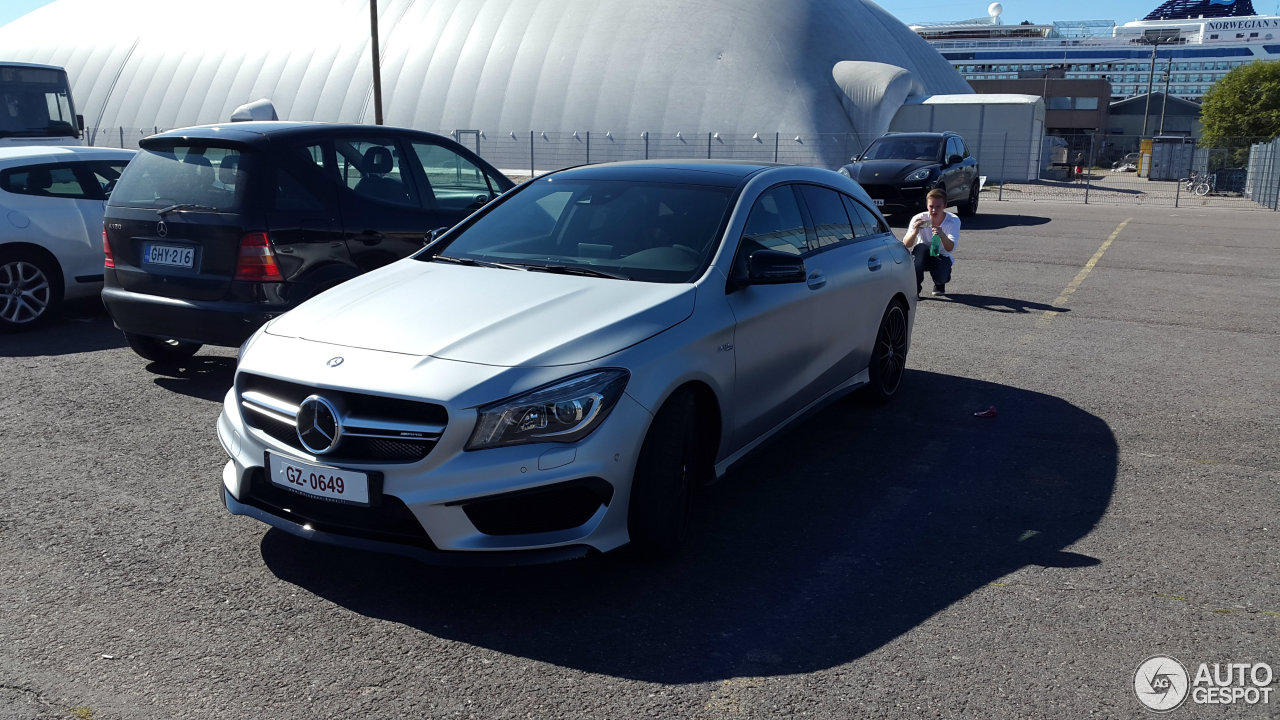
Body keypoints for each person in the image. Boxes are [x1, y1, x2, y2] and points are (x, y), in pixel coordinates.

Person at [902, 188, 958, 298]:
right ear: (927, 205)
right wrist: (914, 232)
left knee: (942, 276)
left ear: (945, 205)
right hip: (922, 253)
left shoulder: (953, 220)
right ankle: (915, 289)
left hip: (940, 254)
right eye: (931, 206)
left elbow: (950, 248)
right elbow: (906, 244)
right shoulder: (919, 218)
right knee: (921, 249)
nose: (933, 210)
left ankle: (939, 283)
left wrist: (942, 235)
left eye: (938, 207)